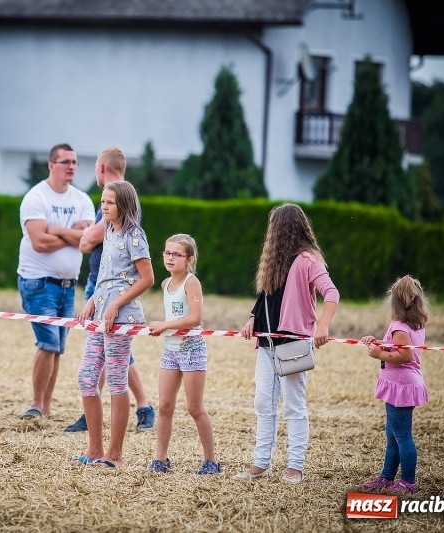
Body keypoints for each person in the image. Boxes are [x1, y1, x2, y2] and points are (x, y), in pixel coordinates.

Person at [237, 203, 339, 483]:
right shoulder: (274, 262)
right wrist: (251, 319)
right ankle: (261, 463)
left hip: (292, 345)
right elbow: (266, 298)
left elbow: (331, 293)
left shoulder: (308, 260)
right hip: (267, 344)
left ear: (281, 229)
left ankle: (295, 466)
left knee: (293, 405)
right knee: (263, 402)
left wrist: (323, 324)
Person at [63, 147, 155, 433]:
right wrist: (92, 300)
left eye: (109, 203)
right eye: (102, 202)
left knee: (116, 379)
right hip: (100, 309)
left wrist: (116, 304)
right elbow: (105, 276)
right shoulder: (111, 231)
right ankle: (95, 444)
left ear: (123, 205)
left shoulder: (133, 235)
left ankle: (114, 452)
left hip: (120, 315)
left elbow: (147, 278)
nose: (103, 207)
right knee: (87, 376)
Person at [17, 143, 95, 420]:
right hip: (38, 282)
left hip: (67, 285)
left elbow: (87, 242)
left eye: (74, 162)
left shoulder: (82, 199)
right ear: (51, 165)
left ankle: (46, 406)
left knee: (58, 348)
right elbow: (38, 242)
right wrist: (71, 235)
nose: (72, 166)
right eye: (65, 162)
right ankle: (36, 405)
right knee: (48, 343)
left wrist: (56, 229)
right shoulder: (36, 197)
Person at [148, 234, 220, 475]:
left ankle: (211, 461)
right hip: (170, 350)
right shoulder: (165, 284)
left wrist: (165, 325)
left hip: (192, 350)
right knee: (165, 405)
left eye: (176, 254)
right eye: (167, 253)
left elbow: (195, 319)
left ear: (188, 259)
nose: (170, 258)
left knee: (194, 408)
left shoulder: (192, 283)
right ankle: (161, 459)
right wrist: (163, 328)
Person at [359, 275, 429, 494]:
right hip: (403, 384)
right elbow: (396, 347)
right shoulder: (415, 325)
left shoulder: (399, 327)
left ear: (395, 302)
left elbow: (405, 356)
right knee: (393, 433)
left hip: (401, 385)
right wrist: (379, 343)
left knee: (401, 436)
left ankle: (408, 482)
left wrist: (378, 353)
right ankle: (386, 477)